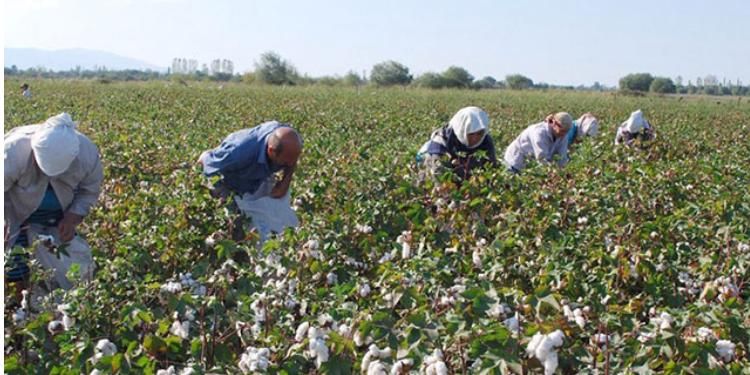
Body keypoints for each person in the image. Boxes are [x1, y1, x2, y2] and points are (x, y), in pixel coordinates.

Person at [4, 113, 102, 290]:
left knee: (68, 266)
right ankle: (17, 299)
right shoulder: (13, 151)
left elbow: (89, 191)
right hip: (14, 212)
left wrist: (72, 217)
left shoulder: (87, 154)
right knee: (13, 261)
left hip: (58, 218)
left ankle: (48, 299)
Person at [198, 121, 302, 243]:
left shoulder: (291, 141)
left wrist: (285, 182)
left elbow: (292, 160)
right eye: (285, 162)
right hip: (227, 180)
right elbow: (206, 162)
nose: (290, 164)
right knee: (235, 226)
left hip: (256, 176)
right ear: (271, 151)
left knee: (275, 213)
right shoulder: (237, 152)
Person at [416, 106, 496, 179]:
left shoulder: (486, 141)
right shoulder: (441, 142)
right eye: (471, 134)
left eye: (479, 134)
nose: (475, 138)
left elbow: (492, 167)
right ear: (462, 130)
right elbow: (437, 173)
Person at [503, 112, 572, 173]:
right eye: (562, 130)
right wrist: (552, 174)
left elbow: (562, 157)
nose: (564, 134)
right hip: (515, 161)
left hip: (530, 164)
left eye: (566, 131)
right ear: (554, 123)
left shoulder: (563, 135)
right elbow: (542, 158)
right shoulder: (539, 133)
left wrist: (563, 172)